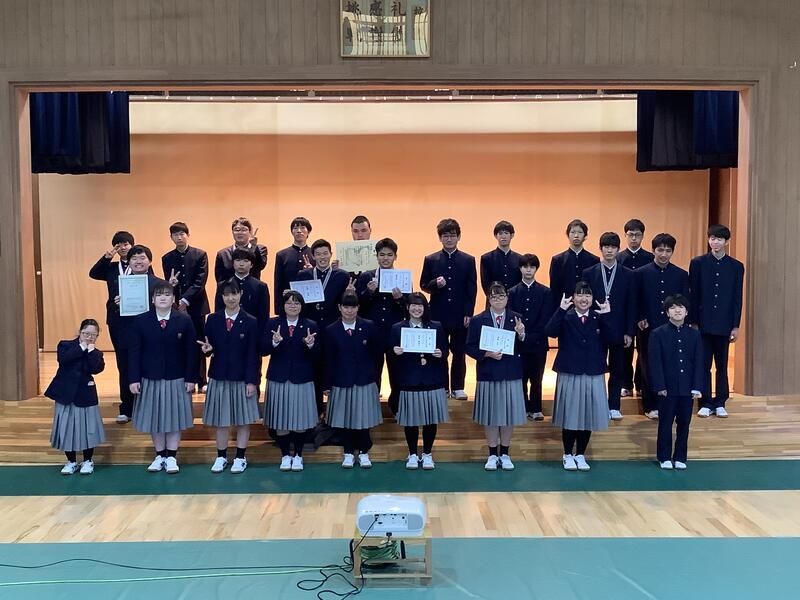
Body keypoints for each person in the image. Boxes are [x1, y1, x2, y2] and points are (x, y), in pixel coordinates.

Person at [128, 281, 198, 474]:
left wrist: (191, 378)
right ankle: (160, 455)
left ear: (173, 298)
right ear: (152, 299)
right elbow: (134, 352)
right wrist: (134, 379)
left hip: (177, 378)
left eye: (167, 295)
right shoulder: (141, 321)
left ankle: (172, 456)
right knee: (155, 418)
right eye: (159, 295)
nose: (163, 298)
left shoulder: (184, 320)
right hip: (150, 378)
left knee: (174, 418)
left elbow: (192, 352)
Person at [546, 282, 611, 472]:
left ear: (592, 299)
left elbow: (613, 337)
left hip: (592, 372)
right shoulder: (566, 316)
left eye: (588, 295)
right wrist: (560, 310)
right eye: (580, 295)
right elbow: (549, 332)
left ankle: (580, 454)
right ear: (573, 298)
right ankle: (567, 454)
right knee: (570, 415)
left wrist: (607, 315)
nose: (584, 299)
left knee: (587, 415)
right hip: (570, 372)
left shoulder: (598, 317)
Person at [200, 278, 261, 474]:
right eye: (226, 294)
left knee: (243, 420)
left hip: (242, 378)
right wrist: (207, 350)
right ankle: (221, 456)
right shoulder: (213, 319)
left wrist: (252, 381)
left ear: (240, 295)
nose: (231, 298)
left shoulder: (251, 321)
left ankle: (241, 457)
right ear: (222, 296)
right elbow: (208, 346)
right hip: (219, 377)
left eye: (234, 294)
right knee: (221, 420)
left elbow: (253, 354)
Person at [466, 282, 527, 471]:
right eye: (494, 296)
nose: (498, 300)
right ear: (488, 299)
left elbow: (524, 346)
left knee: (508, 416)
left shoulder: (516, 318)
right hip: (488, 373)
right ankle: (492, 454)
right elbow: (469, 347)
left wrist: (521, 333)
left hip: (511, 373)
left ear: (507, 298)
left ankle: (505, 453)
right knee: (491, 416)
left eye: (501, 296)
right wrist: (487, 354)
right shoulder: (478, 320)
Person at [689, 224, 744, 418]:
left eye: (719, 239)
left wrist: (735, 326)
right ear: (708, 240)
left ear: (727, 242)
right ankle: (705, 402)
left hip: (724, 323)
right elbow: (693, 295)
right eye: (712, 238)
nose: (715, 242)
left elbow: (737, 298)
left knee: (722, 364)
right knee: (703, 364)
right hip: (702, 323)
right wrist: (693, 322)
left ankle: (720, 401)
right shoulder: (698, 263)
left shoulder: (736, 266)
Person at [420, 218, 477, 400]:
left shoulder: (468, 260)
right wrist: (434, 284)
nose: (449, 239)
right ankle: (442, 386)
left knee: (459, 352)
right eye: (445, 236)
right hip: (438, 314)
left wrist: (469, 312)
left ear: (459, 237)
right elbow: (423, 285)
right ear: (440, 238)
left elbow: (471, 289)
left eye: (452, 235)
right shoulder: (431, 259)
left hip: (460, 314)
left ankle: (458, 387)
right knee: (440, 352)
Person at [324, 292, 383, 469]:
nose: (349, 311)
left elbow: (377, 355)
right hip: (341, 381)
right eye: (346, 307)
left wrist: (375, 380)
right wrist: (327, 385)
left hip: (364, 380)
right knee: (345, 419)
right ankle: (348, 452)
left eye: (353, 307)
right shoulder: (331, 330)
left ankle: (364, 452)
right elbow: (328, 360)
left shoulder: (369, 326)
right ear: (339, 308)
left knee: (363, 418)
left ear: (358, 308)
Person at [391, 293, 449, 470]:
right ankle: (412, 453)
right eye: (413, 305)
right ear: (407, 308)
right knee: (411, 420)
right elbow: (390, 353)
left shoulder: (436, 326)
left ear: (425, 308)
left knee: (431, 420)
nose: (417, 309)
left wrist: (441, 354)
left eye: (420, 305)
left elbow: (445, 350)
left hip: (432, 379)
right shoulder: (397, 328)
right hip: (409, 380)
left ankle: (428, 453)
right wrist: (395, 352)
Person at [582, 232, 636, 421]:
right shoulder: (589, 273)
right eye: (606, 247)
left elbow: (631, 304)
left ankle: (614, 406)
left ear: (618, 249)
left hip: (619, 329)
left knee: (617, 368)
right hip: (596, 328)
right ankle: (595, 405)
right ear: (601, 248)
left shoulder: (628, 274)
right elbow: (584, 301)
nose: (610, 250)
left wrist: (629, 331)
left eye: (613, 247)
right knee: (595, 368)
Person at [263, 290, 319, 472]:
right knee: (281, 421)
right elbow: (262, 348)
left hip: (302, 378)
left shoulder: (310, 325)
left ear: (302, 306)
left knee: (300, 421)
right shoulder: (273, 324)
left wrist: (311, 345)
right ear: (283, 305)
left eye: (296, 303)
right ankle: (285, 455)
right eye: (289, 303)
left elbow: (320, 353)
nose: (292, 306)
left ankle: (299, 455)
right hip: (279, 378)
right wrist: (274, 342)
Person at [108, 244, 165, 423]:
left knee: (152, 370)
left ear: (150, 261)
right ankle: (127, 408)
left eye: (142, 258)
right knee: (126, 369)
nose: (138, 262)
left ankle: (152, 408)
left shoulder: (160, 284)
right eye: (134, 258)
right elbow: (114, 310)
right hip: (127, 333)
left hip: (153, 335)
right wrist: (117, 303)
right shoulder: (121, 283)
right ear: (129, 262)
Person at [635, 233, 690, 420]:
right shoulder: (640, 273)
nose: (664, 254)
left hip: (672, 328)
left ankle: (668, 405)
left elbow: (685, 302)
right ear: (653, 250)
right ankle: (650, 405)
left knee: (671, 365)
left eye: (668, 250)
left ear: (672, 252)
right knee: (648, 365)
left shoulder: (681, 275)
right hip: (647, 327)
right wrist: (639, 317)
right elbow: (635, 299)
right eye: (660, 250)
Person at [295, 239, 352, 414]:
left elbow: (344, 302)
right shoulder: (303, 275)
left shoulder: (342, 276)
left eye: (325, 253)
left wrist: (350, 293)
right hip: (310, 328)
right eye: (318, 254)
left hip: (333, 328)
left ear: (331, 254)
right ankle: (315, 411)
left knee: (333, 366)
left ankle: (335, 414)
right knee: (312, 369)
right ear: (313, 256)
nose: (322, 257)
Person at [45, 319, 106, 475]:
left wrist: (90, 351)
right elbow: (64, 359)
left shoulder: (96, 353)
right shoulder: (65, 345)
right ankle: (71, 461)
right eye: (86, 333)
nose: (89, 337)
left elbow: (96, 368)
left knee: (88, 429)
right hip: (65, 394)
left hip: (86, 395)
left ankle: (88, 461)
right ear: (80, 332)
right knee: (66, 428)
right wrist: (82, 347)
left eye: (93, 335)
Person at [648, 295, 703, 470]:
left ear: (686, 312)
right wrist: (660, 386)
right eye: (672, 307)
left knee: (684, 423)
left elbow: (699, 362)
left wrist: (696, 386)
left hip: (687, 387)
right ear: (667, 312)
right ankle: (664, 457)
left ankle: (680, 456)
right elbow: (655, 362)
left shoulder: (694, 334)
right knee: (665, 423)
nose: (677, 310)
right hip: (667, 388)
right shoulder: (657, 334)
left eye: (681, 307)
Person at [89, 230, 136, 423]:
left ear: (132, 246)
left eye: (126, 244)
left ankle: (141, 405)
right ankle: (126, 407)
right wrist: (107, 256)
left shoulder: (140, 265)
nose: (123, 247)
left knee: (139, 362)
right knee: (123, 364)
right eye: (119, 245)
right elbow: (93, 273)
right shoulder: (111, 267)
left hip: (138, 320)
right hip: (117, 321)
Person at [356, 238, 406, 409]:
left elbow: (410, 308)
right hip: (372, 332)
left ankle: (396, 408)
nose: (385, 258)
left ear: (395, 257)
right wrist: (369, 292)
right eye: (382, 255)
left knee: (397, 373)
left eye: (389, 255)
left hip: (394, 333)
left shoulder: (403, 277)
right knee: (372, 372)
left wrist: (400, 299)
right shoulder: (366, 276)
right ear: (376, 256)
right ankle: (371, 409)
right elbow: (358, 306)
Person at [161, 222, 210, 392]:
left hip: (197, 307)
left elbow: (200, 281)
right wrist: (171, 286)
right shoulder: (167, 258)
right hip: (175, 308)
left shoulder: (200, 254)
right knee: (180, 343)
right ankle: (185, 377)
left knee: (199, 342)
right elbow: (169, 284)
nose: (179, 237)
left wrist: (185, 300)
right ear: (171, 237)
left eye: (182, 234)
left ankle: (202, 380)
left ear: (188, 235)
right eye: (175, 234)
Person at [508, 253, 553, 421]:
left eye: (532, 267)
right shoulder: (512, 292)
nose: (528, 270)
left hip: (538, 342)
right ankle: (522, 408)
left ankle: (536, 409)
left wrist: (528, 335)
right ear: (520, 268)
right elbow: (511, 317)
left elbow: (545, 319)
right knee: (520, 378)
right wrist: (520, 334)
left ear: (536, 269)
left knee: (537, 378)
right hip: (518, 343)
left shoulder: (546, 292)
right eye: (525, 266)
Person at [617, 219, 654, 400]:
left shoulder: (650, 258)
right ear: (625, 235)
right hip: (624, 311)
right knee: (625, 348)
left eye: (637, 235)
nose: (634, 238)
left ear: (642, 236)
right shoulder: (618, 258)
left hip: (644, 312)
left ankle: (640, 383)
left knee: (643, 349)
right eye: (630, 235)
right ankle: (626, 384)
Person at [214, 248, 270, 332]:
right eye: (238, 260)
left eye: (245, 261)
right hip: (228, 331)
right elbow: (218, 312)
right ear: (233, 263)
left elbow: (264, 316)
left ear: (251, 265)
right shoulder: (223, 285)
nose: (241, 264)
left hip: (252, 332)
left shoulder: (260, 286)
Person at [548, 219, 600, 303]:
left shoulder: (594, 260)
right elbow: (554, 288)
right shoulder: (557, 260)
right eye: (573, 232)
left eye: (580, 232)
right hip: (564, 305)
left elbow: (596, 287)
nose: (576, 235)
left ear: (585, 236)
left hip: (587, 305)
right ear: (568, 235)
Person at [273, 217, 315, 314]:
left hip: (310, 305)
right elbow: (278, 284)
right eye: (295, 228)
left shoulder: (314, 254)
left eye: (303, 227)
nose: (299, 231)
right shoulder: (282, 255)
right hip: (289, 304)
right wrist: (279, 309)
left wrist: (311, 271)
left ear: (308, 232)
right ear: (292, 232)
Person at [215, 217, 268, 282]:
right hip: (230, 288)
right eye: (237, 230)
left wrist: (254, 247)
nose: (240, 232)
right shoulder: (223, 254)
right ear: (232, 232)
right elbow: (220, 279)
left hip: (252, 287)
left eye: (244, 230)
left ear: (250, 232)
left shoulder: (260, 249)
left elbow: (260, 266)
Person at [479, 220, 522, 300]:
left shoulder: (520, 259)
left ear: (512, 235)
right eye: (500, 233)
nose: (503, 236)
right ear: (496, 236)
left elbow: (520, 283)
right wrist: (495, 298)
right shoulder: (487, 258)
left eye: (506, 233)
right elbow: (485, 284)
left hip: (514, 301)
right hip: (494, 301)